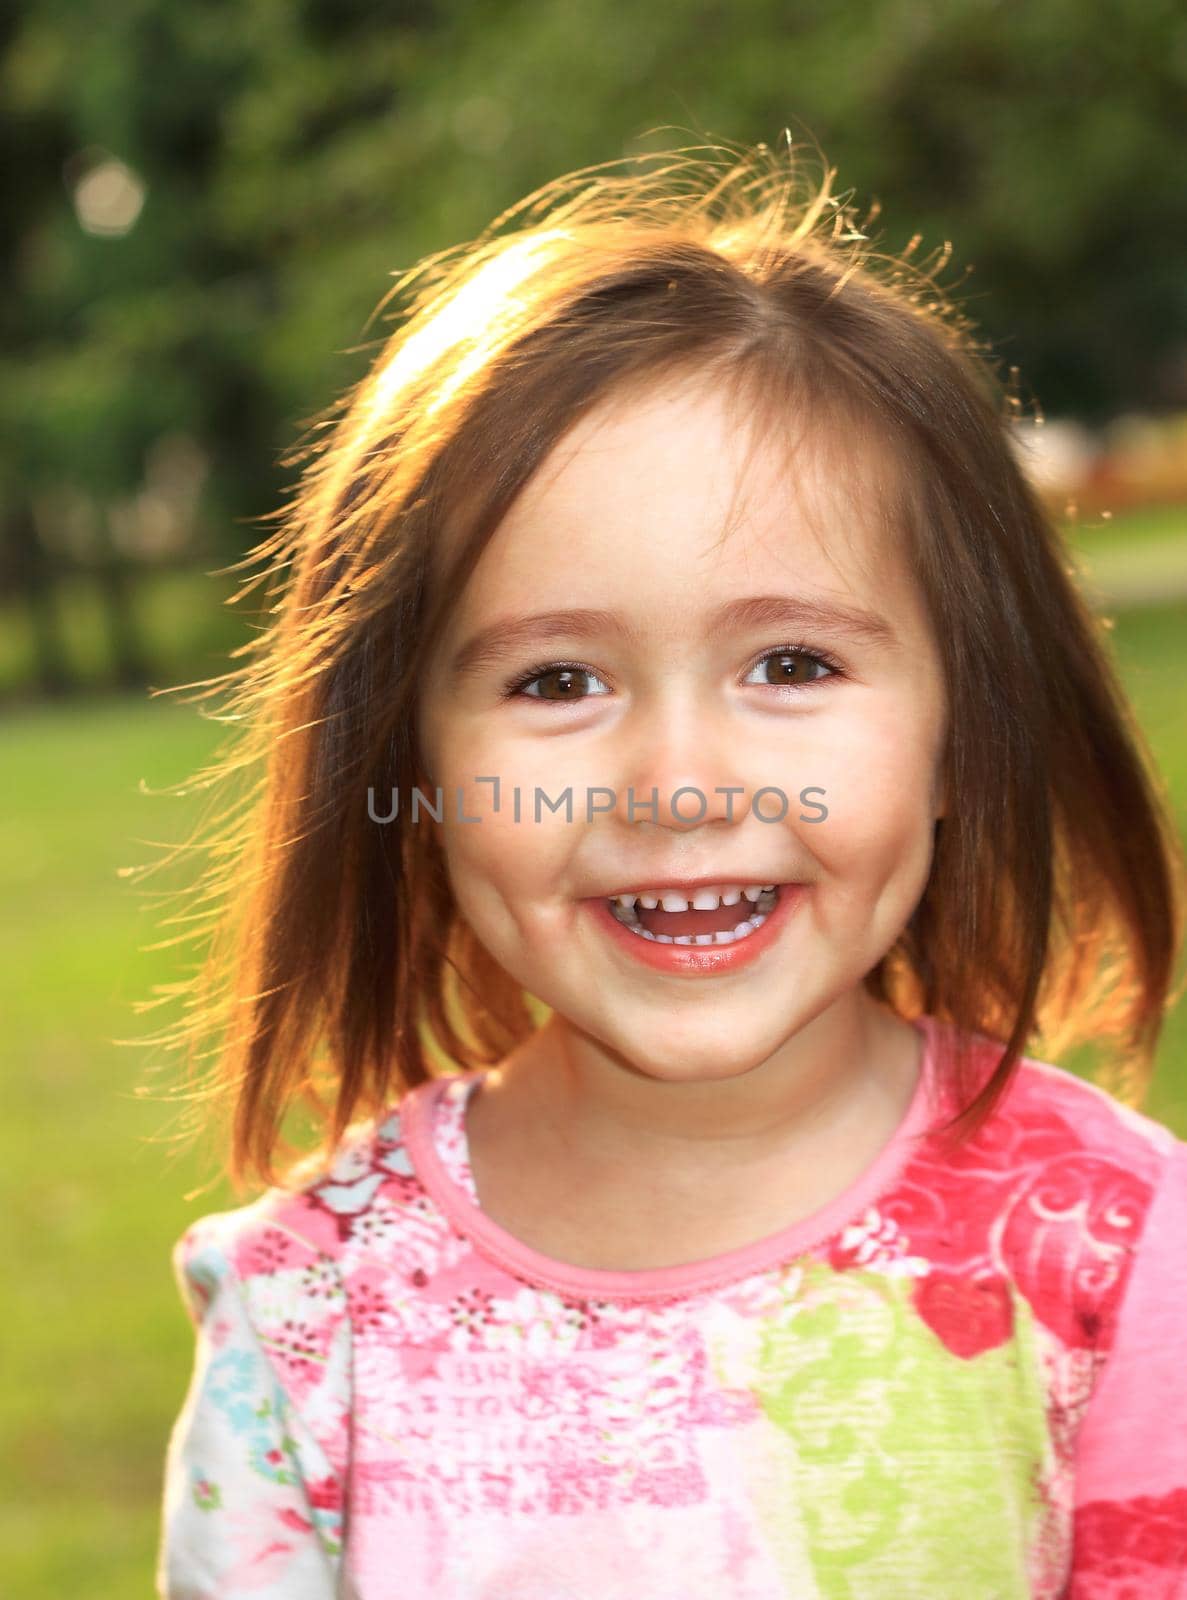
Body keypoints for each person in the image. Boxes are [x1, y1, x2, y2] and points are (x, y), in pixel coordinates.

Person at [153, 139, 1187, 1598]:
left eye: (790, 662)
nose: (680, 784)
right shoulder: (310, 1320)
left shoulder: (1127, 1262)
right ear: (411, 762)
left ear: (966, 725)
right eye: (559, 681)